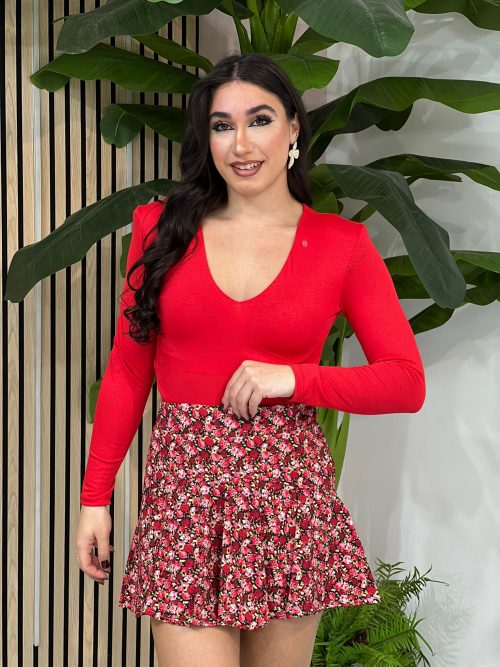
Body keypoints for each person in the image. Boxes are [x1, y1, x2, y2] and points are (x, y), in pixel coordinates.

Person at [75, 53, 426, 667]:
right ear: (206, 138)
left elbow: (405, 382)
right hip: (185, 495)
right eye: (222, 125)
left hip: (289, 497)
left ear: (292, 128)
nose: (240, 143)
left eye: (259, 120)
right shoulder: (160, 229)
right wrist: (94, 498)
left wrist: (293, 378)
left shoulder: (341, 245)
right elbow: (129, 371)